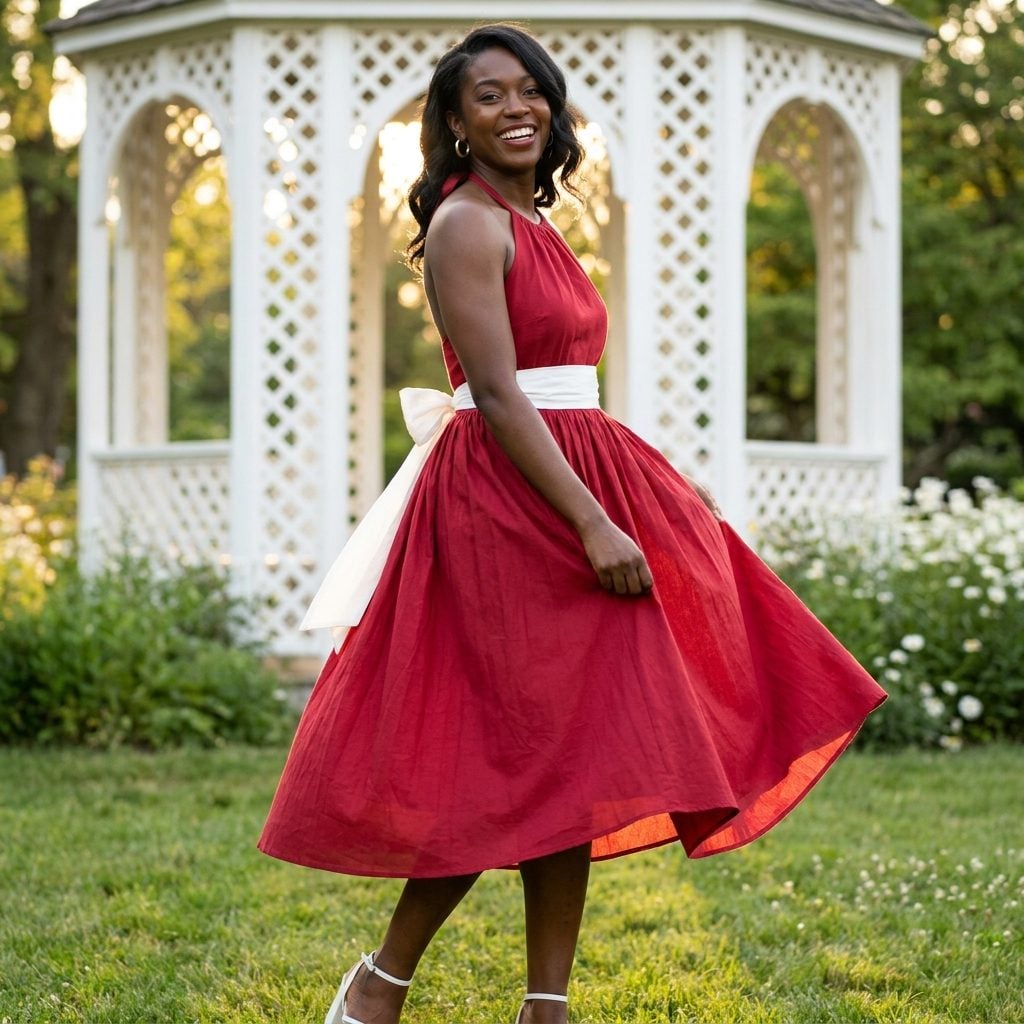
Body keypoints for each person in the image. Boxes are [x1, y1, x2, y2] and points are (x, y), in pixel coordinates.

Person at [257, 22, 887, 1024]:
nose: (516, 109)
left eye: (528, 90)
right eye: (489, 98)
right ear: (456, 126)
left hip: (570, 479)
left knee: (574, 755)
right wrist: (597, 525)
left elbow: (569, 391)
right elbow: (503, 396)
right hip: (506, 510)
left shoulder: (536, 220)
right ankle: (378, 985)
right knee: (510, 759)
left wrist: (656, 496)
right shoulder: (467, 223)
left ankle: (545, 1005)